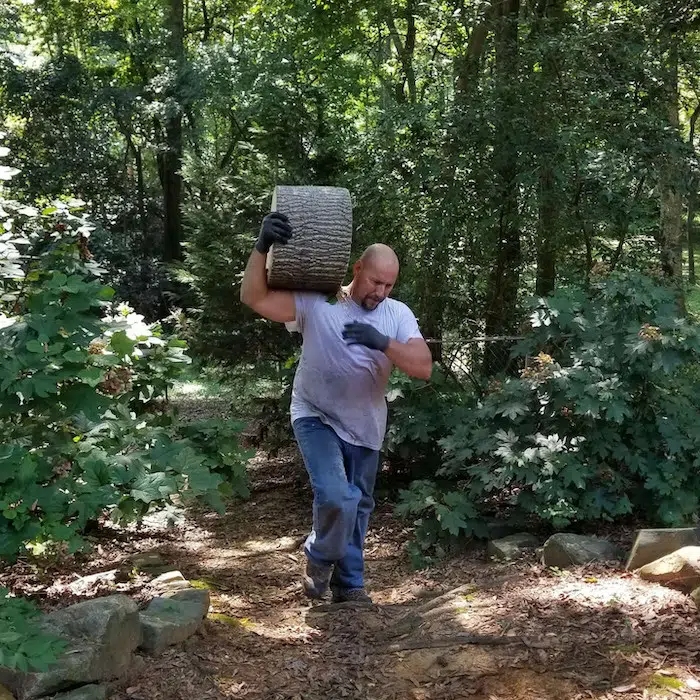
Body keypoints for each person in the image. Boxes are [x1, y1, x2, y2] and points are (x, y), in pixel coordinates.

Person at [240, 212, 432, 603]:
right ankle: (319, 556)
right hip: (315, 413)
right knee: (335, 494)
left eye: (389, 285)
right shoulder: (319, 301)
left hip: (365, 423)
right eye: (375, 281)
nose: (381, 292)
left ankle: (349, 585)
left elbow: (423, 366)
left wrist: (382, 342)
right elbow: (254, 298)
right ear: (357, 269)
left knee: (358, 507)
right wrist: (261, 248)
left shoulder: (397, 314)